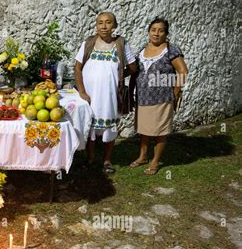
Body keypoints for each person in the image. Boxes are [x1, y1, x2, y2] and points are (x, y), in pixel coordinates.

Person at [74, 12, 137, 173]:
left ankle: (107, 160)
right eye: (100, 22)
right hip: (89, 94)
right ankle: (90, 159)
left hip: (109, 96)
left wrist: (119, 76)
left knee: (110, 126)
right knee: (90, 126)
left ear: (114, 26)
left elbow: (133, 67)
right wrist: (81, 91)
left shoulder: (121, 44)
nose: (104, 26)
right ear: (96, 25)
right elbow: (78, 68)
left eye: (108, 22)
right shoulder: (88, 43)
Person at [129, 18, 188, 175]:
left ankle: (155, 162)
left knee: (160, 131)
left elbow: (183, 71)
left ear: (166, 34)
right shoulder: (142, 50)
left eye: (161, 30)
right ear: (148, 32)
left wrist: (176, 92)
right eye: (153, 30)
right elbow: (135, 72)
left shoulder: (171, 50)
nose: (156, 33)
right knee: (144, 130)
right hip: (143, 97)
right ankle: (142, 157)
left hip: (162, 97)